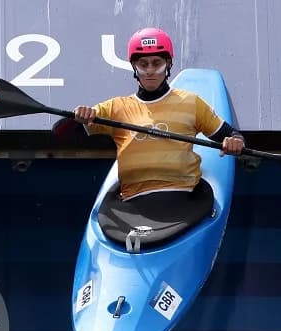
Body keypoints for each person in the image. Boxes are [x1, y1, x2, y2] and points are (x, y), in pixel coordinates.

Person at [55, 27, 245, 246]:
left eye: (157, 63)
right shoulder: (118, 107)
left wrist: (234, 143)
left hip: (183, 198)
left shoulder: (191, 103)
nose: (150, 71)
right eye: (143, 65)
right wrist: (77, 119)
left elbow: (231, 135)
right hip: (134, 202)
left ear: (168, 65)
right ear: (134, 68)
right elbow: (62, 134)